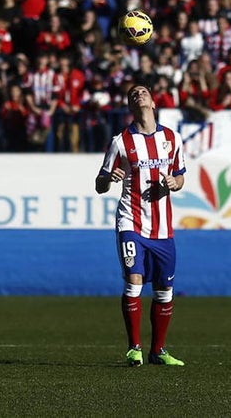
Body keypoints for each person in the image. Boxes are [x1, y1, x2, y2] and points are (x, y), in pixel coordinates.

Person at [95, 83, 187, 367]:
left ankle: (158, 351)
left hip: (162, 228)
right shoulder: (121, 142)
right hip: (131, 221)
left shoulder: (172, 138)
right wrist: (109, 178)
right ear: (130, 106)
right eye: (133, 94)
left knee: (164, 290)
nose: (139, 94)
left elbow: (180, 176)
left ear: (153, 102)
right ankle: (134, 348)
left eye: (144, 91)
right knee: (134, 281)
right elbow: (99, 184)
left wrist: (174, 183)